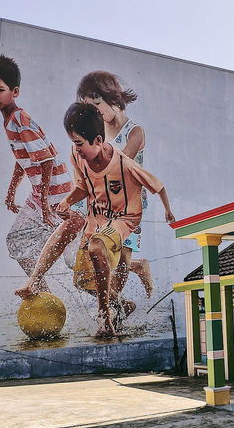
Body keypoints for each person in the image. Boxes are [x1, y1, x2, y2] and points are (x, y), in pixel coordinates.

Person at [57, 101, 174, 338]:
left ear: (98, 141)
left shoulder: (123, 164)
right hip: (98, 218)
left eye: (79, 143)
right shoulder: (77, 155)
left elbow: (158, 186)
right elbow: (83, 187)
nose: (76, 148)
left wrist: (167, 211)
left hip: (124, 218)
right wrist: (67, 201)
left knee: (97, 246)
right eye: (73, 142)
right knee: (81, 280)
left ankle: (105, 316)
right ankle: (123, 304)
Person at [0, 54, 86, 297]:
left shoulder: (20, 118)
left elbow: (47, 160)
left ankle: (113, 293)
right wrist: (11, 191)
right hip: (42, 192)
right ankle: (41, 292)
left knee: (73, 260)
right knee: (17, 241)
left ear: (14, 91)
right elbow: (25, 161)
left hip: (55, 193)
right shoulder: (10, 121)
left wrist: (47, 205)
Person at [77, 72, 154, 301]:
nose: (97, 114)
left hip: (129, 207)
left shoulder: (135, 132)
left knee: (119, 264)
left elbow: (121, 164)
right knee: (98, 261)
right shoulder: (99, 135)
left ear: (113, 98)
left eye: (98, 106)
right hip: (102, 205)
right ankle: (133, 276)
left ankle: (116, 303)